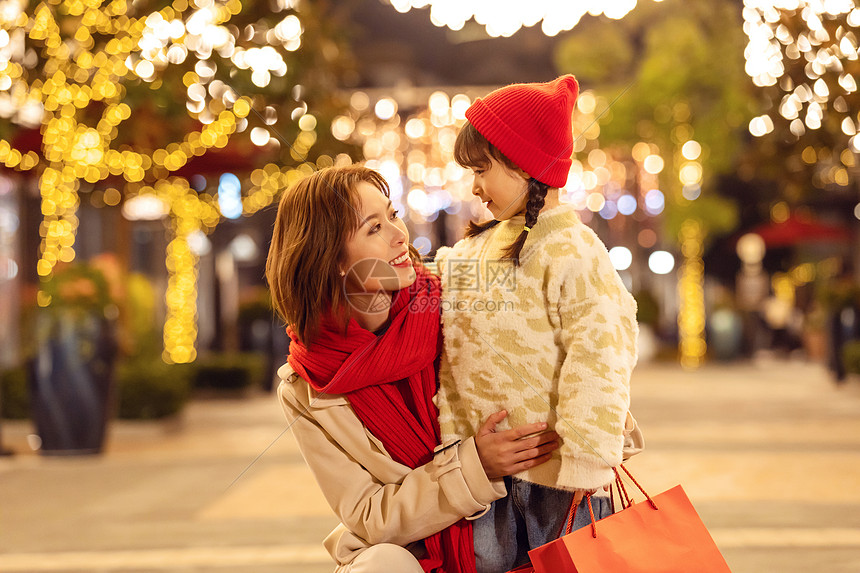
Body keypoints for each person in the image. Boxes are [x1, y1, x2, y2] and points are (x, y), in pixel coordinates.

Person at [265, 165, 561, 573]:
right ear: (330, 257)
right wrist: (475, 466)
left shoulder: (460, 301)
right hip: (416, 553)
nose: (399, 236)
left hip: (513, 524)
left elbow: (563, 373)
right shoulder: (307, 387)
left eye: (393, 215)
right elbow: (369, 515)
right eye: (373, 228)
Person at [433, 75, 641, 573]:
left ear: (525, 164)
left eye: (482, 169)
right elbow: (436, 296)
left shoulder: (573, 249)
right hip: (484, 476)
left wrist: (589, 458)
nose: (475, 186)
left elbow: (601, 350)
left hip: (562, 476)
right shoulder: (472, 251)